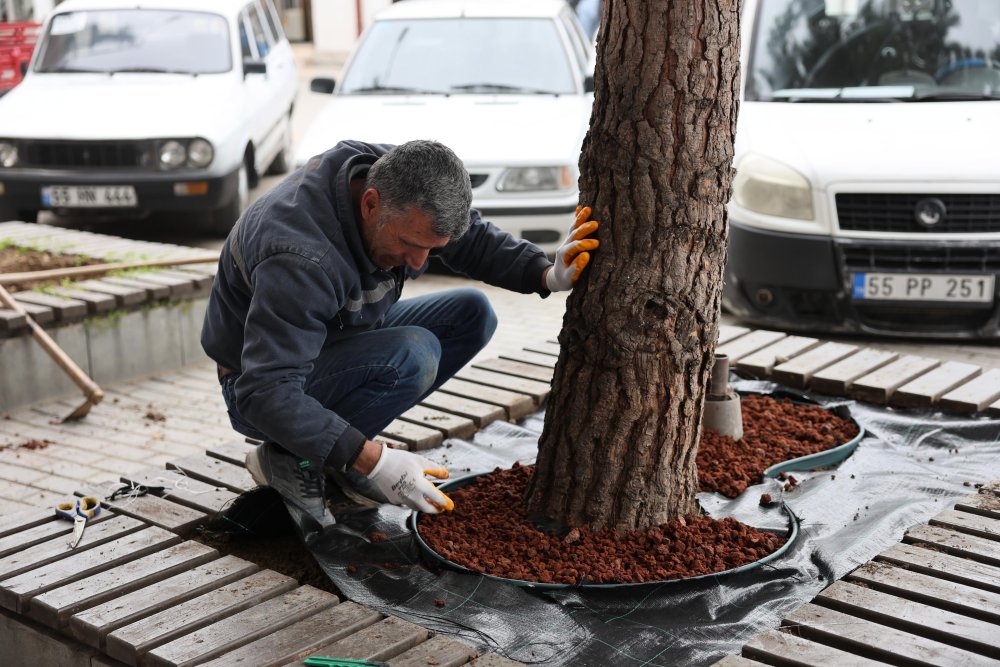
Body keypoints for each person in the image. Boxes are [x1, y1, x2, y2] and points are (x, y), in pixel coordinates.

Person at [201, 139, 599, 532]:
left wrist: (544, 273)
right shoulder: (301, 259)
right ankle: (292, 457)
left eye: (432, 248)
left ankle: (338, 450)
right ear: (370, 203)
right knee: (414, 353)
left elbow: (472, 238)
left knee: (472, 313)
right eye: (409, 244)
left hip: (329, 337)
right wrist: (373, 459)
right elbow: (265, 393)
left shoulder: (391, 174)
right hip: (256, 384)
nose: (419, 262)